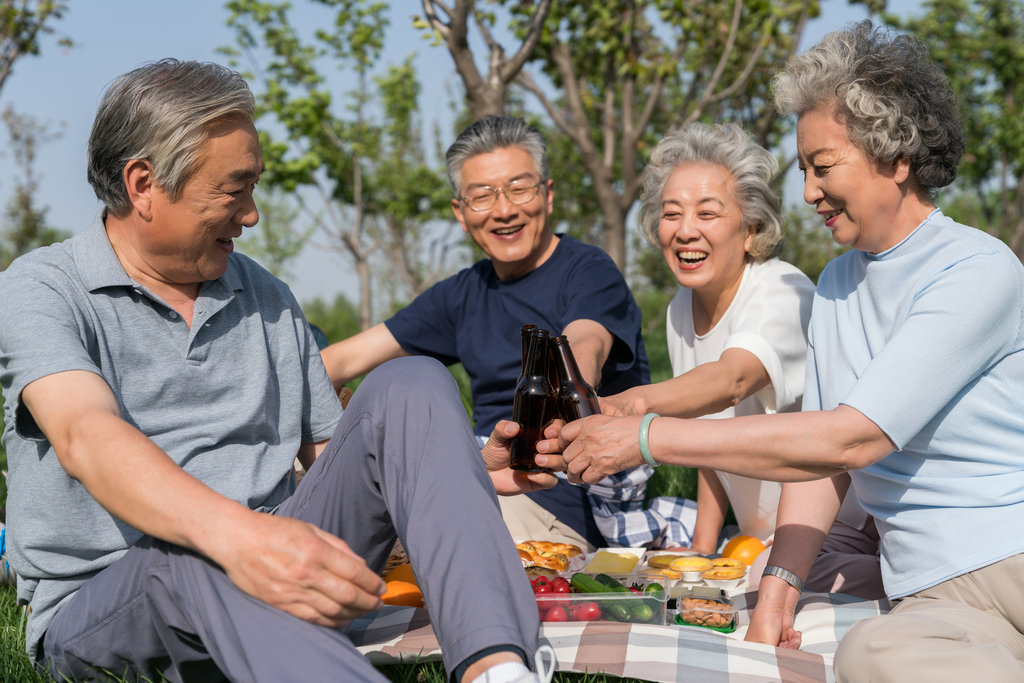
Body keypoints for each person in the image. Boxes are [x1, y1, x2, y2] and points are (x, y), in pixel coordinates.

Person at [0, 60, 557, 683]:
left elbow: (338, 458)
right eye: (234, 189)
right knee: (195, 551)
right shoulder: (43, 288)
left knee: (413, 381)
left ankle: (498, 667)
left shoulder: (265, 296)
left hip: (271, 566)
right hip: (110, 606)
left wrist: (435, 471)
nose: (252, 213)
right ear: (143, 184)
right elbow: (83, 434)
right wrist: (237, 539)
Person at [556, 22, 1024, 681]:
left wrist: (650, 436)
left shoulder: (976, 269)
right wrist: (779, 581)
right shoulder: (836, 285)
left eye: (822, 167)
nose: (807, 193)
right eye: (804, 169)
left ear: (896, 156)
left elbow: (851, 439)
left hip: (1011, 556)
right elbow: (820, 466)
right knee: (869, 654)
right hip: (932, 590)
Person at [320, 116, 652, 552]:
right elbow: (339, 362)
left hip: (552, 492)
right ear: (460, 212)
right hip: (478, 471)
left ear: (547, 195)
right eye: (482, 196)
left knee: (433, 534)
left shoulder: (589, 272)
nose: (504, 210)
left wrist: (569, 389)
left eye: (519, 188)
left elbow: (583, 346)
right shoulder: (462, 293)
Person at [599, 122, 815, 554]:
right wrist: (700, 553)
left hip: (823, 540)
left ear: (751, 229)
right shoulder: (681, 307)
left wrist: (632, 404)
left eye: (707, 213)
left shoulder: (783, 292)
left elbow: (731, 382)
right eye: (672, 213)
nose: (684, 231)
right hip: (754, 543)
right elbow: (704, 439)